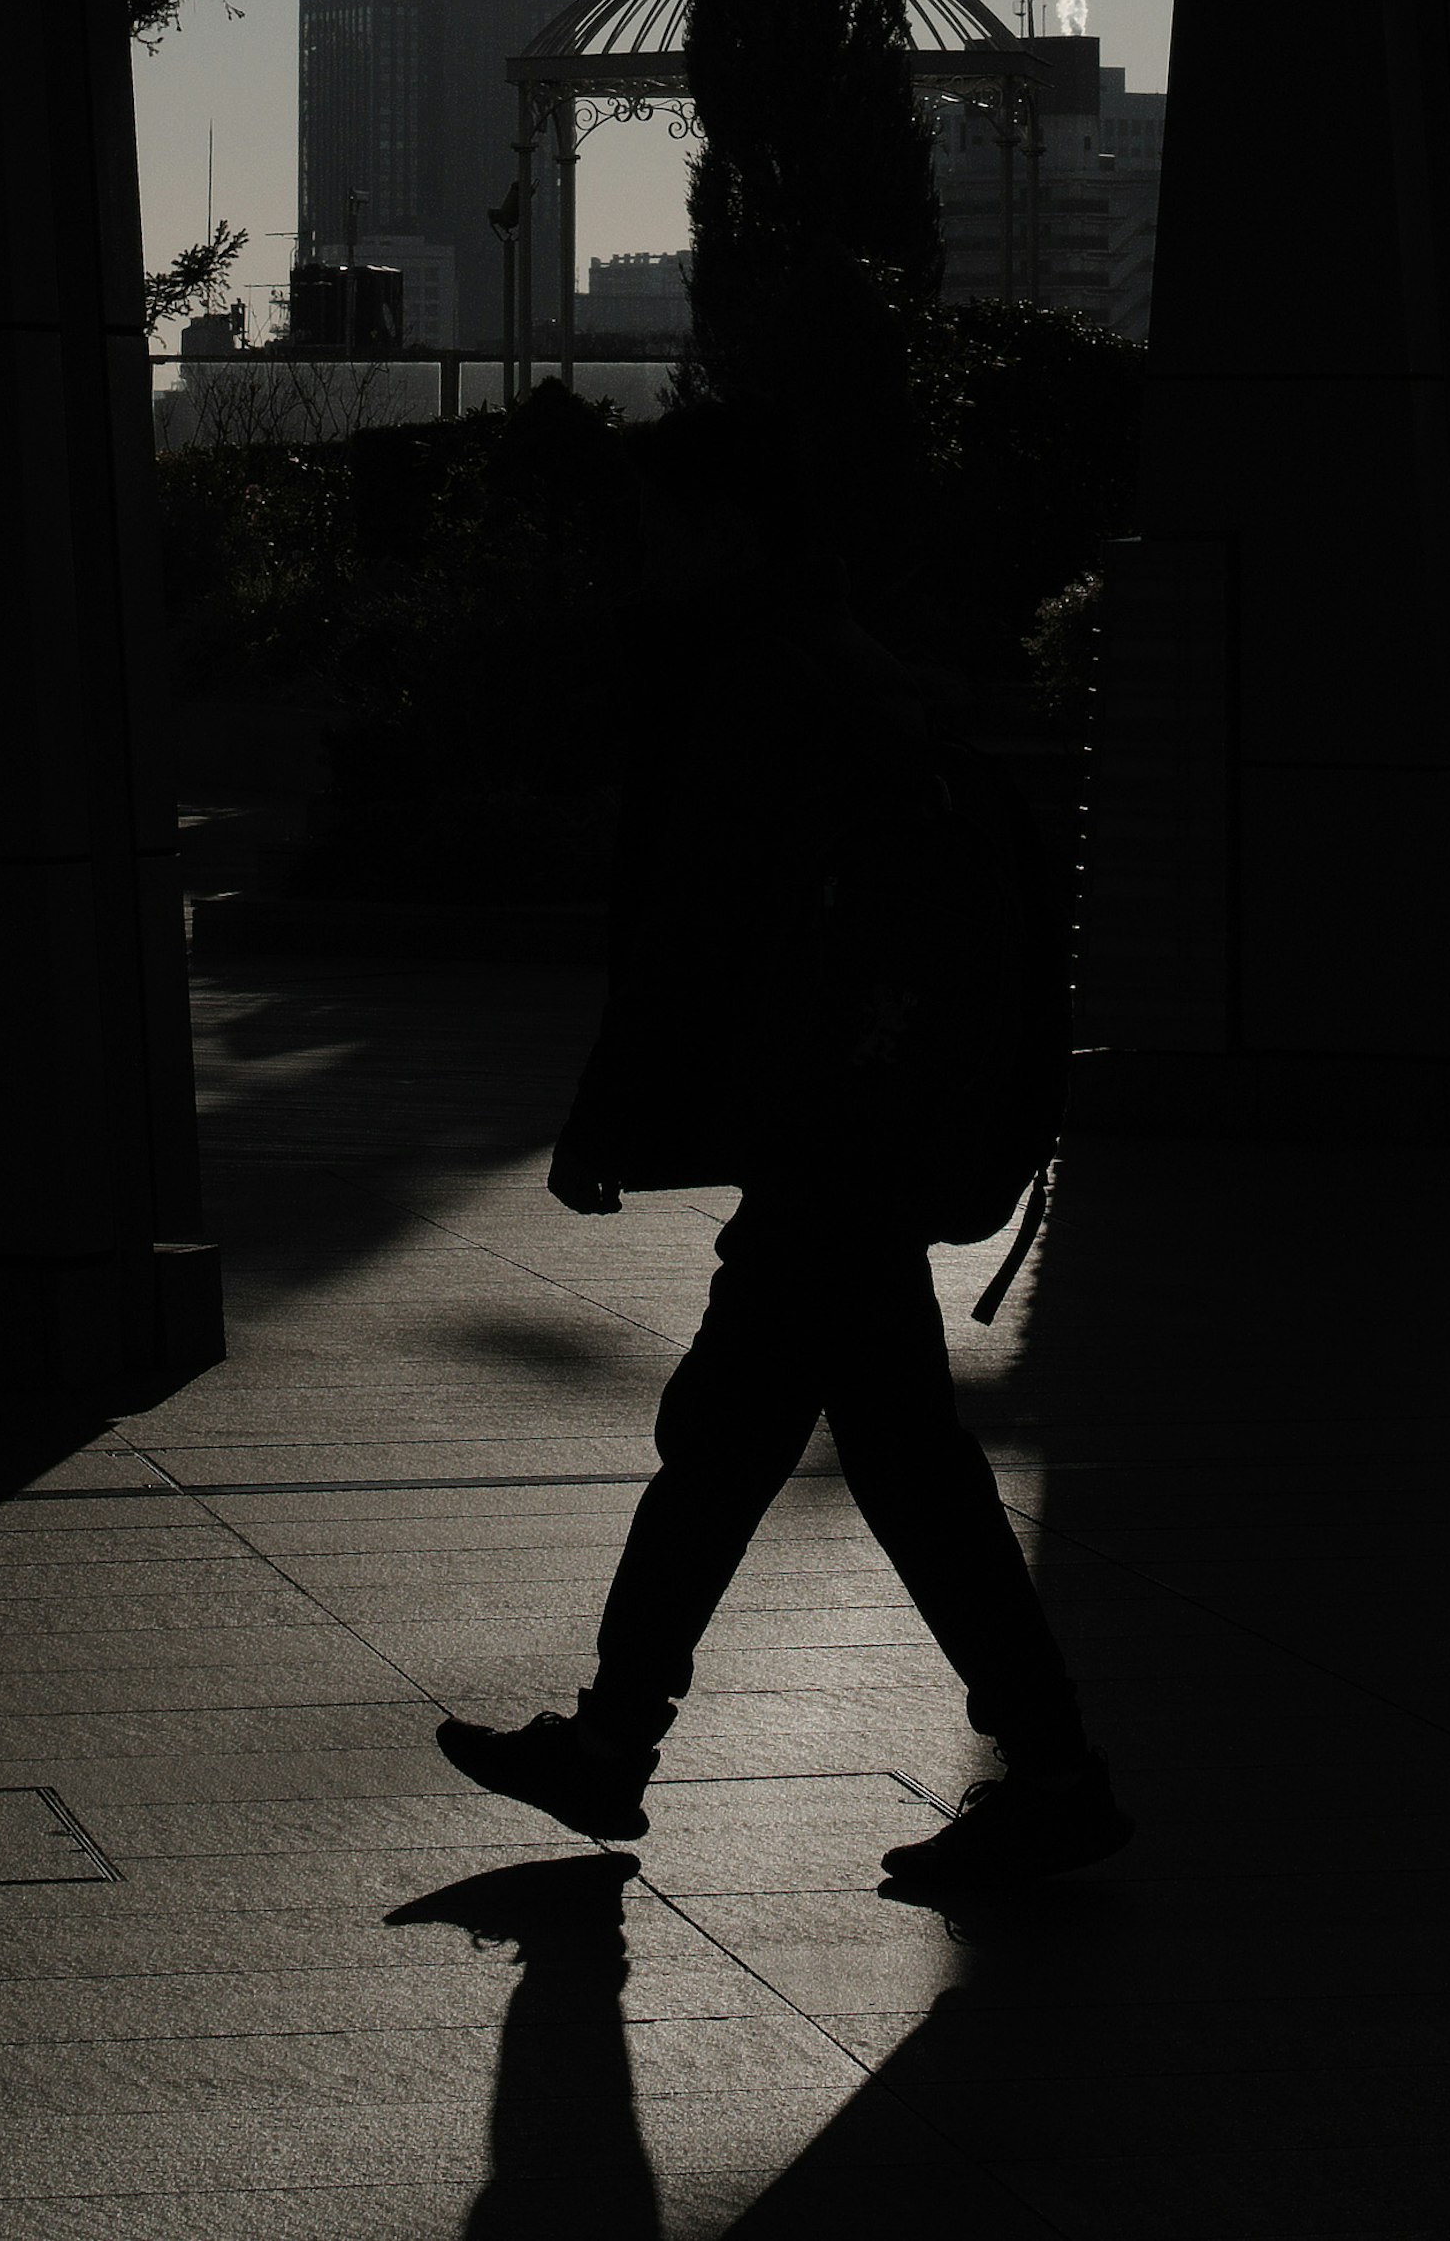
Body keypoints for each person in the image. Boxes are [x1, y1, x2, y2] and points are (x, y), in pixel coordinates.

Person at [435, 423, 1127, 1902]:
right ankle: (631, 1740)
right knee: (807, 1447)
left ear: (730, 528)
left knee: (783, 1447)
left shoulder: (756, 676)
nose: (652, 552)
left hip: (831, 1140)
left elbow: (703, 919)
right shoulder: (842, 660)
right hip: (861, 1130)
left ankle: (638, 1744)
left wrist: (612, 1103)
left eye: (672, 522)